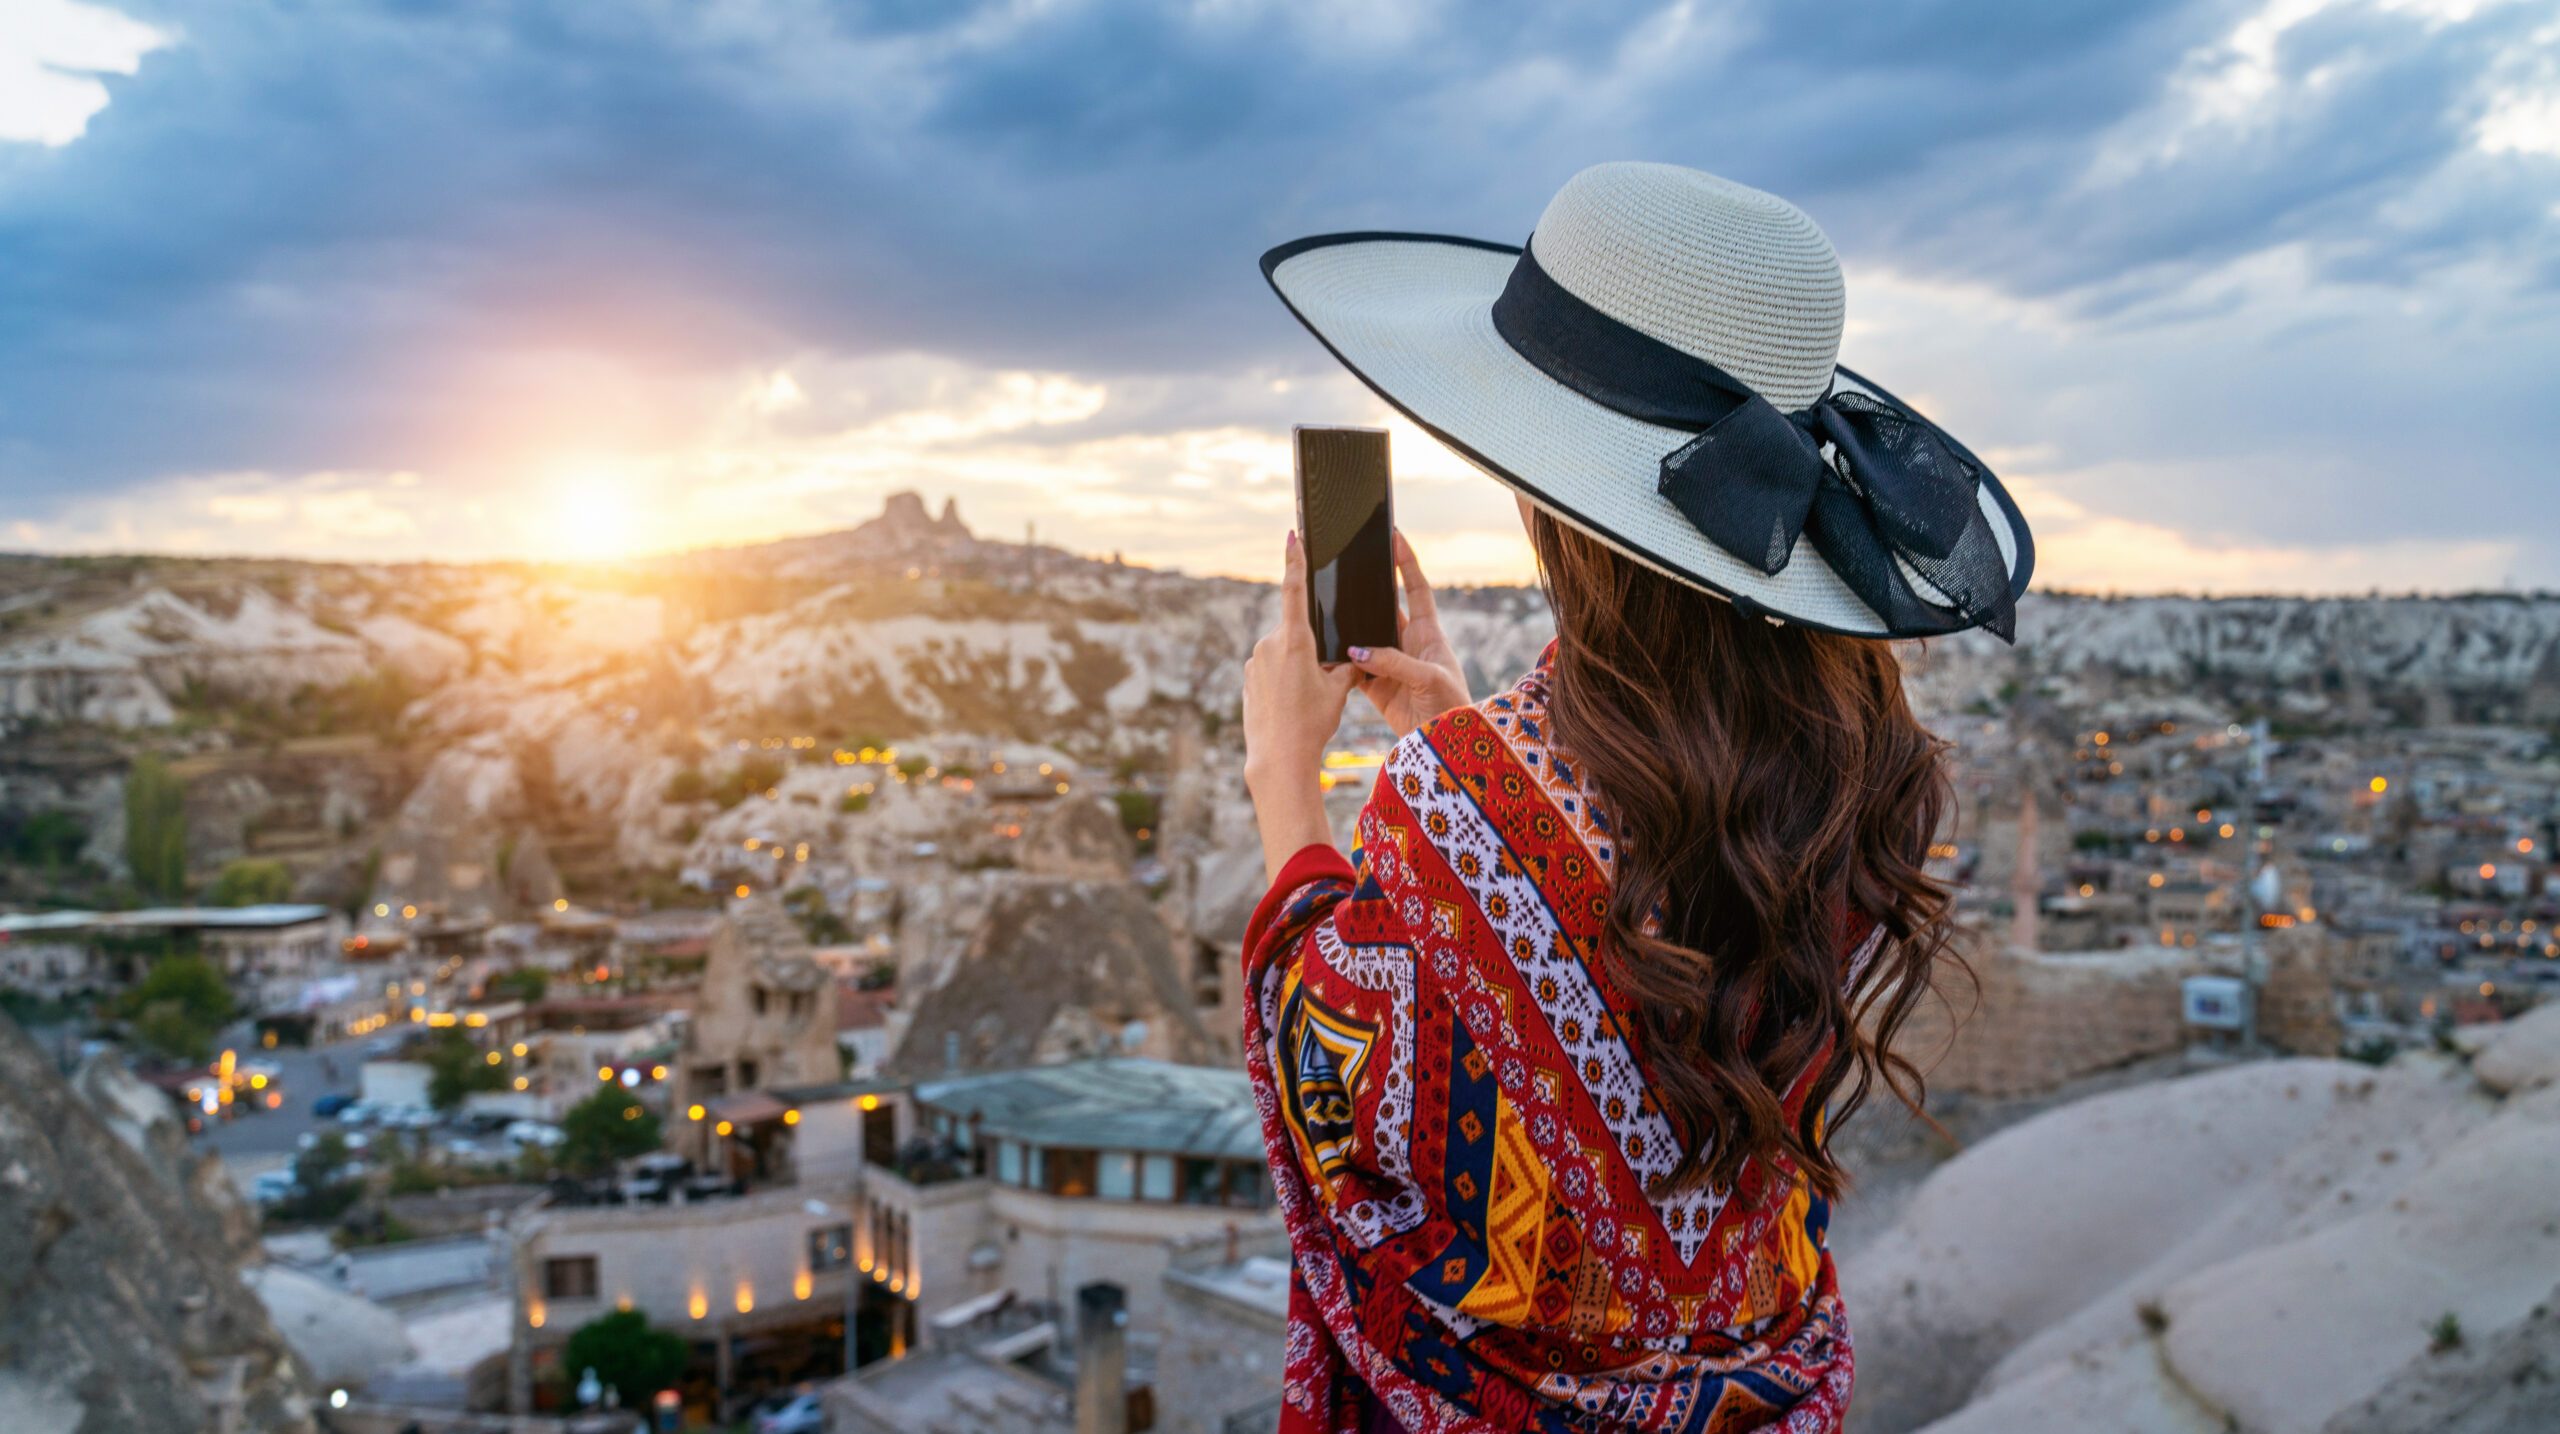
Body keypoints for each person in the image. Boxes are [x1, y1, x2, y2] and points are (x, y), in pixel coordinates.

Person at [1237, 162, 2033, 1432]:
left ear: (1550, 491)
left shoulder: (1460, 801)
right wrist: (1458, 739)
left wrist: (1287, 787)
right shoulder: (1864, 771)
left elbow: (1351, 1127)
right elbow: (1628, 947)